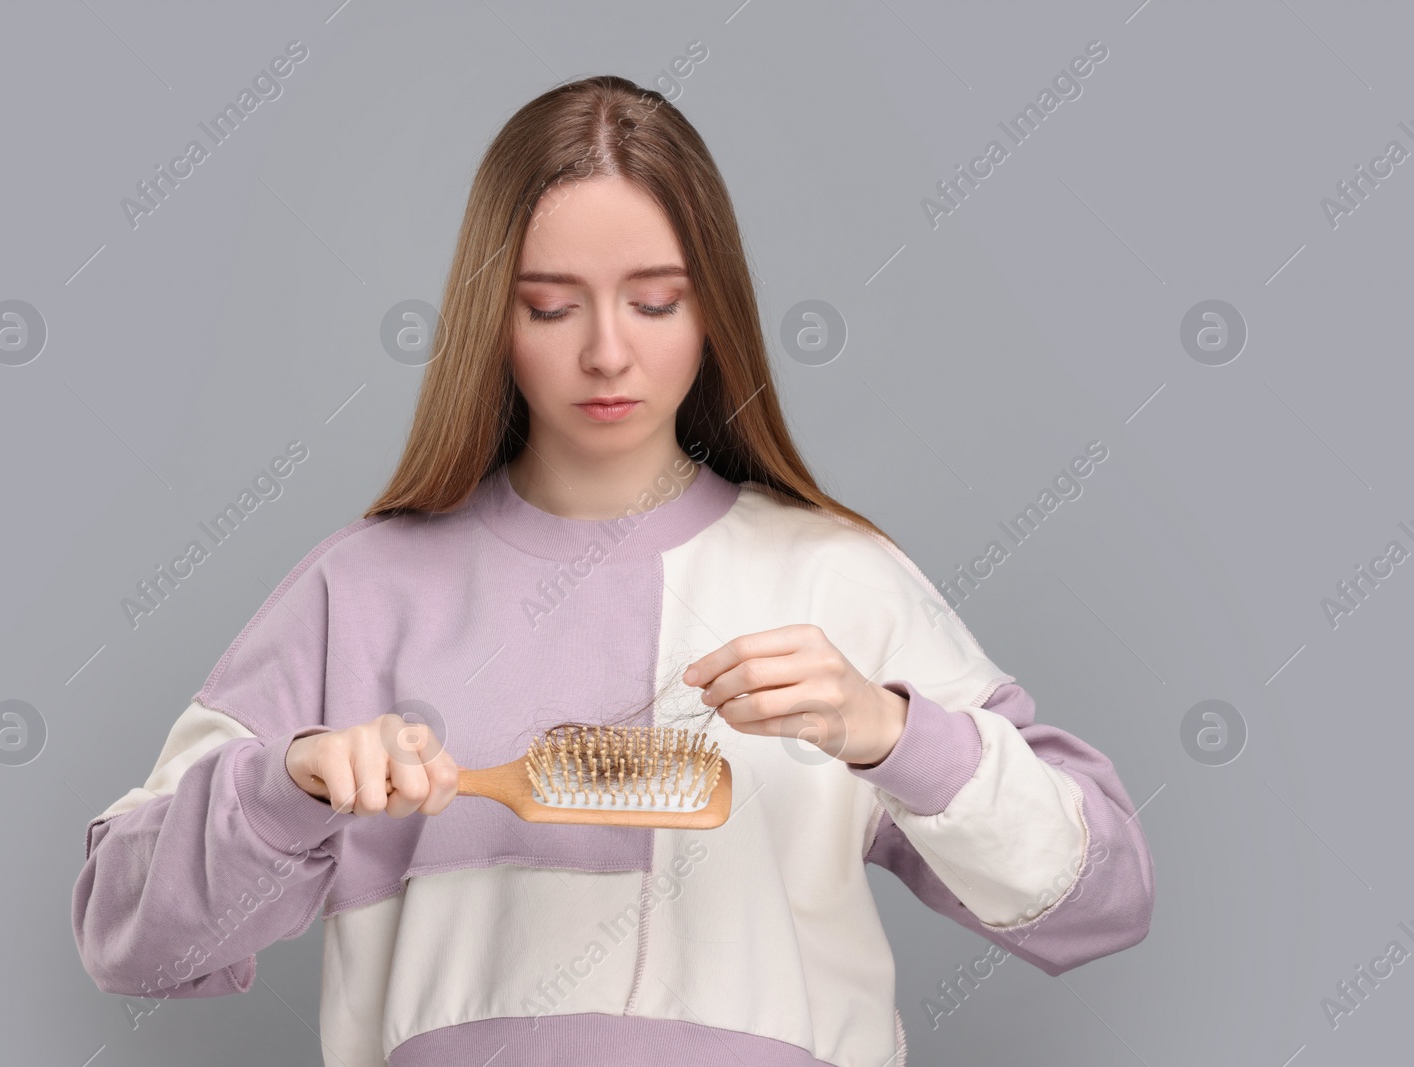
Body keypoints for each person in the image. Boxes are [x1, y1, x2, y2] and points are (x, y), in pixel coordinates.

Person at [71, 74, 1154, 1067]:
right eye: (550, 304)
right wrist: (286, 784)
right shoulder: (357, 590)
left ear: (715, 309)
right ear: (490, 317)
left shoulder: (835, 580)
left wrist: (891, 731)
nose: (605, 352)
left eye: (654, 300)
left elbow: (1095, 895)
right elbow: (128, 938)